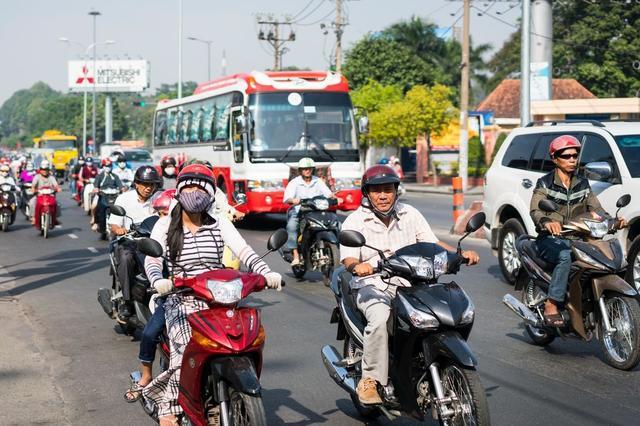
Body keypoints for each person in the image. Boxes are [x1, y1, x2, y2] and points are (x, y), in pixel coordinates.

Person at [139, 164, 282, 424]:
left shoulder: (220, 223)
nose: (194, 192)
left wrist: (267, 272)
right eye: (189, 186)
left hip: (219, 296)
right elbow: (152, 258)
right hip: (181, 297)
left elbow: (245, 251)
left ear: (210, 193)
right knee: (185, 348)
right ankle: (170, 406)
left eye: (200, 187)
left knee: (245, 339)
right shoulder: (164, 224)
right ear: (180, 190)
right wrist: (158, 279)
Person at [339, 164, 479, 405]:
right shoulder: (356, 220)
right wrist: (357, 266)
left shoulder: (410, 214)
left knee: (445, 311)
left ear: (396, 191)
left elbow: (432, 243)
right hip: (372, 284)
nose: (382, 195)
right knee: (381, 319)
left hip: (412, 283)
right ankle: (370, 380)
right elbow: (349, 257)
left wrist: (459, 253)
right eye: (376, 190)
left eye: (388, 189)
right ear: (367, 194)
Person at [529, 135, 626, 326]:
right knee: (565, 256)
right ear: (555, 159)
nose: (572, 159)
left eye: (575, 155)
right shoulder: (545, 183)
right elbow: (535, 210)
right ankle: (552, 303)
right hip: (551, 239)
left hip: (579, 237)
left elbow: (596, 210)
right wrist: (547, 221)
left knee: (610, 256)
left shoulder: (582, 183)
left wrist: (613, 221)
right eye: (566, 156)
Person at [123, 189, 174, 404]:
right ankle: (146, 376)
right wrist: (159, 281)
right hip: (173, 295)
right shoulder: (155, 237)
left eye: (166, 213)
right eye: (160, 214)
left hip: (204, 295)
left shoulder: (199, 229)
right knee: (150, 332)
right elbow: (151, 265)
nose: (162, 219)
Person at [108, 165, 160, 319]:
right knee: (126, 259)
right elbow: (114, 224)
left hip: (154, 240)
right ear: (136, 183)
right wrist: (119, 229)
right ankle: (127, 301)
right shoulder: (124, 199)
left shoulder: (158, 199)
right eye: (145, 184)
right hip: (130, 241)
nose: (148, 188)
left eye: (152, 184)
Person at [283, 157, 336, 266]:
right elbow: (287, 198)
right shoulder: (295, 183)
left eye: (309, 168)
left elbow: (328, 193)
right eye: (304, 169)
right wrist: (293, 200)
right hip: (299, 211)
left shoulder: (318, 181)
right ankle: (296, 255)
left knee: (335, 223)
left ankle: (337, 248)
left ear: (312, 169)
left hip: (316, 210)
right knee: (292, 226)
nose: (307, 171)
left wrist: (333, 197)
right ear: (300, 170)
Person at [92, 158, 125, 232]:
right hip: (102, 195)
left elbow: (120, 186)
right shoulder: (99, 176)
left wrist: (123, 189)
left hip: (114, 196)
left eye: (109, 166)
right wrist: (96, 189)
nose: (108, 168)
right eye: (106, 166)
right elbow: (95, 186)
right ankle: (96, 222)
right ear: (103, 167)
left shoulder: (115, 176)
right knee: (95, 207)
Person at [29, 161, 61, 225]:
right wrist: (33, 189)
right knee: (32, 202)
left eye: (46, 170)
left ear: (48, 170)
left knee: (57, 204)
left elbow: (56, 185)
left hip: (50, 196)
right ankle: (33, 218)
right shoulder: (37, 177)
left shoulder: (51, 177)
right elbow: (33, 185)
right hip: (39, 195)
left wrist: (58, 188)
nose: (44, 171)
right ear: (40, 170)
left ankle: (55, 218)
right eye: (43, 169)